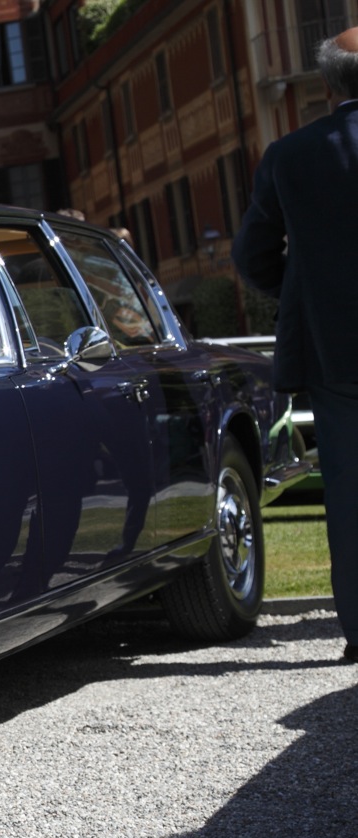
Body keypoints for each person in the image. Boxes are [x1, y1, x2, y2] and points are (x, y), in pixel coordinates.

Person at [234, 27, 358, 664]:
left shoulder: (289, 154)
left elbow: (251, 256)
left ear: (328, 86)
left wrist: (301, 290)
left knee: (347, 489)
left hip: (335, 348)